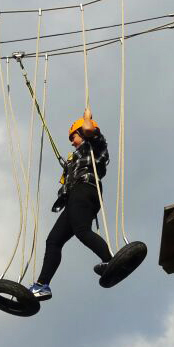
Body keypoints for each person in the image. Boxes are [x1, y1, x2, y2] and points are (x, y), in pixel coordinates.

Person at [28, 108, 112, 301]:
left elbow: (90, 131)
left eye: (73, 136)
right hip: (75, 197)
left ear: (82, 133)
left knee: (82, 231)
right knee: (53, 241)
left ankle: (109, 260)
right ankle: (42, 285)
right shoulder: (75, 157)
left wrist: (87, 118)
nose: (72, 142)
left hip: (85, 191)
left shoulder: (95, 145)